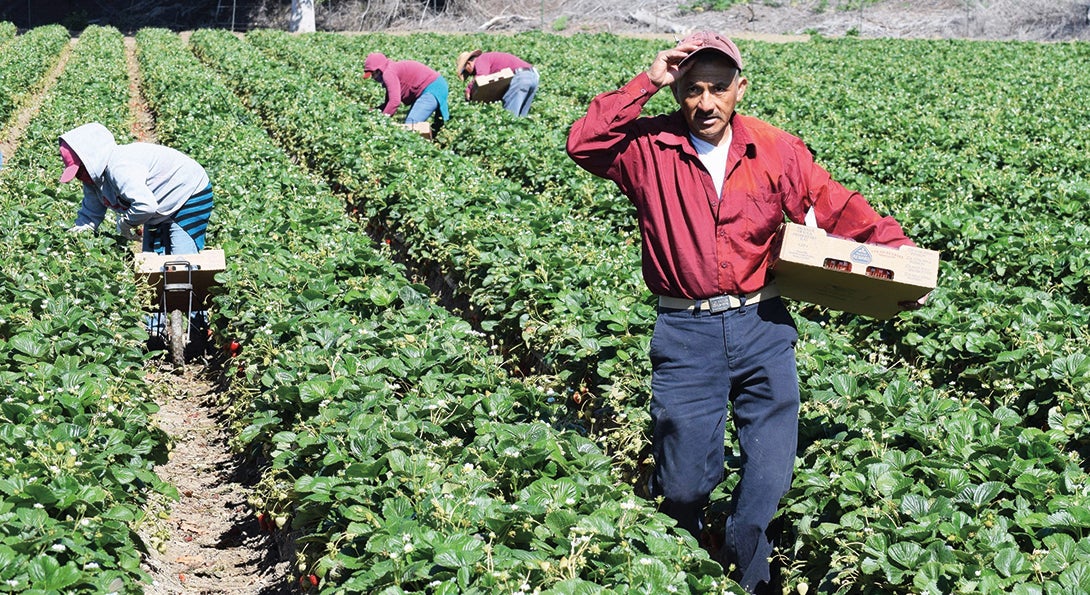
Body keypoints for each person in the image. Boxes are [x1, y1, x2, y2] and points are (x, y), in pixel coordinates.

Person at [566, 31, 923, 593]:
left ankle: (749, 568)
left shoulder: (776, 148)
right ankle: (681, 563)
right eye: (690, 88)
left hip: (762, 324)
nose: (705, 102)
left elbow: (835, 205)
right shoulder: (647, 148)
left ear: (740, 88)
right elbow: (584, 144)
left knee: (768, 477)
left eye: (718, 88)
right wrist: (646, 80)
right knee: (683, 483)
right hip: (685, 329)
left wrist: (898, 258)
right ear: (676, 90)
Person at [61, 122, 213, 256]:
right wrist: (72, 240)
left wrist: (125, 224)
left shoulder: (120, 167)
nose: (78, 177)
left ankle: (188, 287)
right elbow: (89, 216)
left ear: (92, 160)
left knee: (181, 262)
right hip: (159, 204)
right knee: (151, 261)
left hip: (189, 193)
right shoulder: (92, 180)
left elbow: (146, 206)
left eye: (79, 170)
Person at [363, 52, 450, 132]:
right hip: (434, 86)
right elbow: (388, 103)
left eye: (373, 74)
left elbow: (394, 102)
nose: (373, 78)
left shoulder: (388, 74)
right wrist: (375, 111)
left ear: (379, 70)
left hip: (432, 87)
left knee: (411, 124)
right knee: (432, 127)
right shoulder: (391, 70)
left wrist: (382, 121)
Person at [455, 50, 539, 117]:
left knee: (510, 117)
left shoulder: (481, 60)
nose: (471, 75)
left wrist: (469, 89)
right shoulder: (489, 58)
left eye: (467, 72)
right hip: (533, 76)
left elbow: (480, 78)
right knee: (522, 117)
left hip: (521, 78)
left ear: (468, 64)